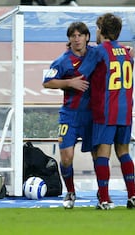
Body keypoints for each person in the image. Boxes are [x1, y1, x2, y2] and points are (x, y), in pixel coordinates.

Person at [78, 13, 135, 210]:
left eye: (97, 28)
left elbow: (82, 74)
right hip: (125, 109)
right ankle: (133, 195)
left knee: (103, 153)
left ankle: (104, 199)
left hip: (106, 110)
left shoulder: (99, 51)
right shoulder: (126, 52)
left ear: (102, 30)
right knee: (123, 152)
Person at [42, 22, 94, 209]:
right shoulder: (62, 61)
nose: (77, 38)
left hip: (92, 115)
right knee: (66, 157)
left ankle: (102, 193)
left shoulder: (96, 54)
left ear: (87, 37)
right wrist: (69, 83)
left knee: (99, 155)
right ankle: (70, 192)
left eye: (80, 35)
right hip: (69, 115)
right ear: (69, 39)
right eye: (73, 35)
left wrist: (127, 50)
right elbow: (47, 83)